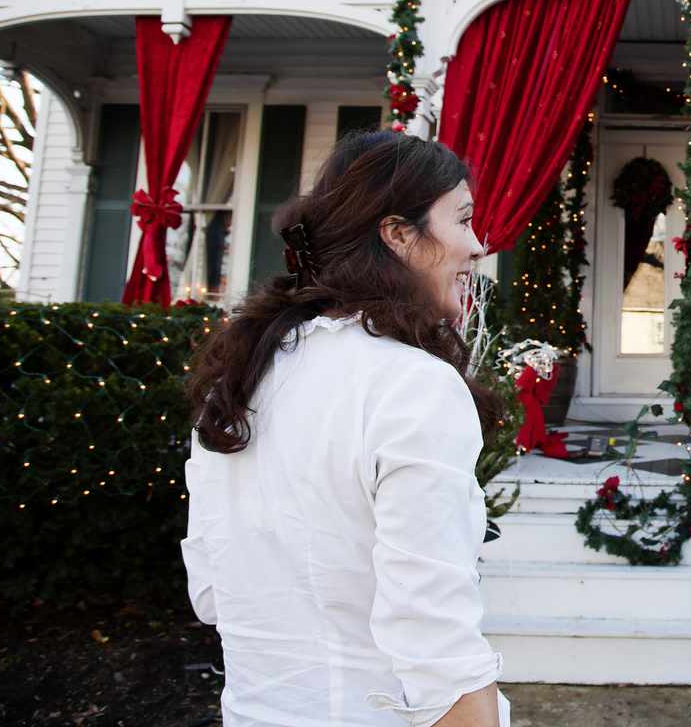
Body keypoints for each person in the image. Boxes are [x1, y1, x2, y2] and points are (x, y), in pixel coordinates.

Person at [183, 131, 510, 727]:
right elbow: (437, 644)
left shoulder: (238, 378)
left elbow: (211, 591)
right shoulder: (414, 385)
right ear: (399, 236)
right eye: (462, 220)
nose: (478, 245)